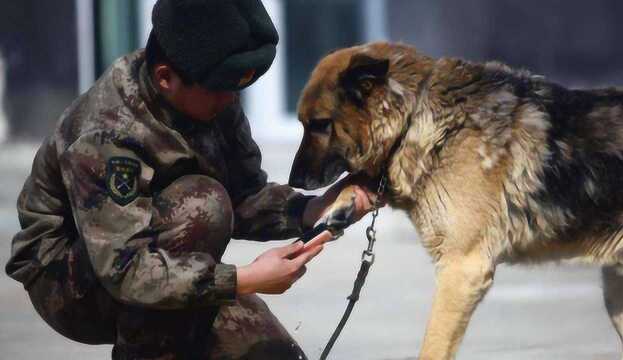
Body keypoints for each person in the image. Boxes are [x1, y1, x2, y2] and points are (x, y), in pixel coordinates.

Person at [4, 0, 375, 359]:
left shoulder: (210, 94)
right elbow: (125, 269)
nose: (230, 99)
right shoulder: (107, 133)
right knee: (203, 204)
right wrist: (246, 279)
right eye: (220, 87)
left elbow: (244, 197)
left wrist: (315, 209)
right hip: (73, 282)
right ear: (166, 77)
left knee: (274, 354)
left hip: (166, 260)